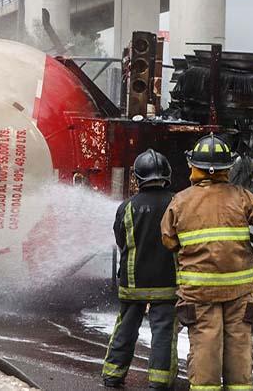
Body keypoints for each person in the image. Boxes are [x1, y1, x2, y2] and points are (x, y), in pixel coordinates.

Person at [161, 134, 253, 391]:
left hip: (199, 293)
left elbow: (168, 240)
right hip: (240, 292)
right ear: (227, 169)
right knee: (239, 349)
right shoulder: (241, 197)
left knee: (205, 349)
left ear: (193, 166)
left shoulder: (180, 202)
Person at [102, 149, 178, 390]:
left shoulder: (127, 207)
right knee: (164, 332)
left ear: (138, 177)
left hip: (132, 282)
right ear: (166, 174)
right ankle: (159, 381)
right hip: (167, 282)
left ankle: (113, 374)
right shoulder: (177, 203)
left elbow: (121, 240)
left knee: (125, 327)